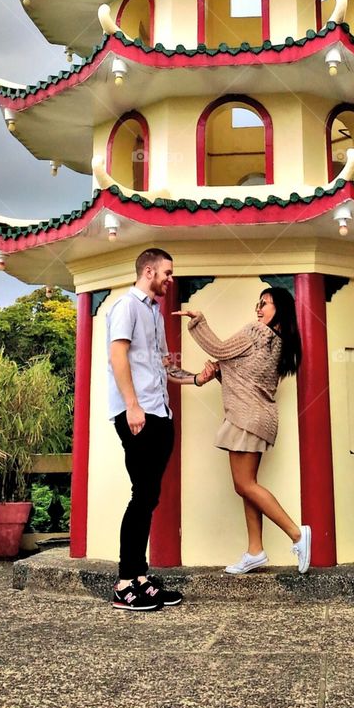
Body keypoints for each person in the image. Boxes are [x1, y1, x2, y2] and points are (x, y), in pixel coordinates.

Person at [175, 286, 311, 575]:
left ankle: (297, 534)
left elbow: (220, 349)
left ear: (280, 309)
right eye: (257, 304)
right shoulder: (278, 343)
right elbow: (246, 381)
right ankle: (255, 551)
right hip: (260, 418)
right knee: (248, 484)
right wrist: (219, 372)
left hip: (246, 418)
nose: (258, 309)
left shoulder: (256, 332)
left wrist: (198, 321)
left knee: (244, 485)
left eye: (265, 303)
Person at [107, 247, 214, 611]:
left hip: (159, 413)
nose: (171, 278)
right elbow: (117, 356)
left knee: (149, 496)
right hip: (137, 415)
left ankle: (140, 578)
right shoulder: (126, 307)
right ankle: (124, 582)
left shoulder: (154, 313)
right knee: (142, 495)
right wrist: (132, 406)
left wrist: (197, 378)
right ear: (149, 271)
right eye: (167, 272)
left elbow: (166, 367)